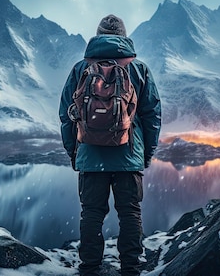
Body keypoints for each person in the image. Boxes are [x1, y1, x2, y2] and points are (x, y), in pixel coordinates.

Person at [59, 14, 161, 276]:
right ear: (124, 38)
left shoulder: (80, 69)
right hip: (128, 155)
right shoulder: (139, 69)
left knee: (91, 214)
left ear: (98, 34)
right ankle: (131, 268)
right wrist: (146, 154)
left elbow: (66, 115)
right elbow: (151, 116)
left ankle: (89, 268)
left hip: (91, 156)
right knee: (130, 214)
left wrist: (74, 152)